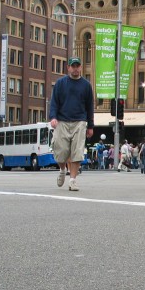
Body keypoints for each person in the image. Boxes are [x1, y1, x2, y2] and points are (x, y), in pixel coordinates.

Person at [49, 56, 94, 192]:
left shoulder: (86, 85)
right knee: (60, 151)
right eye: (73, 66)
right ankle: (62, 169)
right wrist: (53, 117)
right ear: (68, 67)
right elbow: (54, 102)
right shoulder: (60, 83)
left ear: (80, 67)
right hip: (62, 121)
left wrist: (90, 126)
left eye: (77, 66)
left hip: (79, 121)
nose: (75, 69)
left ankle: (73, 180)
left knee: (77, 152)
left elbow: (89, 106)